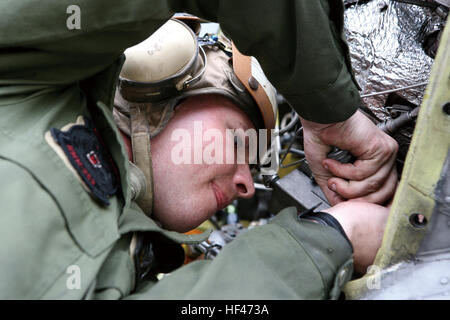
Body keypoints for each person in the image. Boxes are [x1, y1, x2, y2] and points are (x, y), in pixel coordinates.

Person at [0, 1, 397, 299]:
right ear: (154, 91)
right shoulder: (18, 79)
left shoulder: (131, 273)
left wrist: (333, 237)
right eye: (239, 142)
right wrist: (328, 111)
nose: (246, 185)